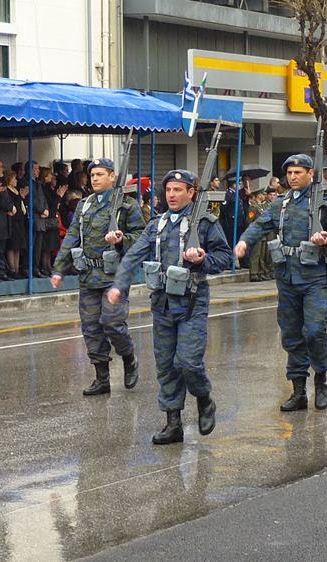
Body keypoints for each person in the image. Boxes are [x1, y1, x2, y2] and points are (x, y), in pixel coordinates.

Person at [108, 169, 232, 444]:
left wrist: (202, 259)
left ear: (191, 193)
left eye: (178, 190)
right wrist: (119, 285)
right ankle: (173, 422)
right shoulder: (156, 225)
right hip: (162, 303)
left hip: (191, 301)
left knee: (187, 362)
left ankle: (204, 398)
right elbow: (132, 256)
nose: (172, 195)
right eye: (169, 190)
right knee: (165, 365)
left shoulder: (205, 223)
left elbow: (225, 257)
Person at [235, 154, 327, 411]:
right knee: (291, 332)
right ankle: (298, 390)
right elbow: (260, 225)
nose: (293, 177)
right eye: (290, 173)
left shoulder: (325, 203)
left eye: (298, 172)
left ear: (310, 174)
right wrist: (245, 241)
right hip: (287, 277)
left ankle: (321, 378)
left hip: (315, 277)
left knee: (314, 330)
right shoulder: (281, 203)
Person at [52, 158, 144, 395]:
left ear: (112, 177)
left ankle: (128, 357)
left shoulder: (126, 205)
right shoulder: (84, 205)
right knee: (91, 328)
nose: (94, 178)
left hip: (114, 275)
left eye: (100, 174)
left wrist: (122, 239)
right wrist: (59, 269)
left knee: (112, 323)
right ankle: (101, 378)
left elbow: (142, 236)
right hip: (89, 274)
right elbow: (72, 237)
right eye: (92, 175)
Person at [246, 183, 273, 282]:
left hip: (263, 234)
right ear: (258, 195)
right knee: (255, 254)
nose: (264, 196)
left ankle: (260, 272)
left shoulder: (262, 206)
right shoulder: (253, 207)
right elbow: (249, 221)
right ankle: (253, 273)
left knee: (262, 255)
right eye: (263, 194)